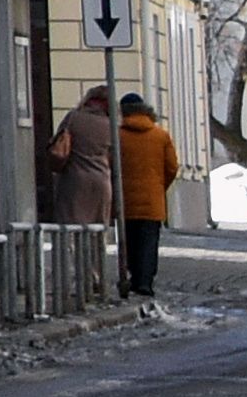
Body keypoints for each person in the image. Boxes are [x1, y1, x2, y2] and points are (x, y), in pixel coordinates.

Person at [117, 92, 179, 297]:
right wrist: (159, 186)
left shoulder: (117, 136)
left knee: (129, 242)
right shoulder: (160, 136)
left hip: (125, 200)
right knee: (148, 242)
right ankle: (145, 281)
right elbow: (171, 167)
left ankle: (133, 276)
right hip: (153, 200)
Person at [49, 84, 120, 228]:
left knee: (70, 228)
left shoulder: (73, 118)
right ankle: (96, 251)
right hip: (101, 182)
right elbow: (114, 156)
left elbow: (58, 141)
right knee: (98, 229)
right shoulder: (111, 126)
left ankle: (71, 251)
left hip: (74, 180)